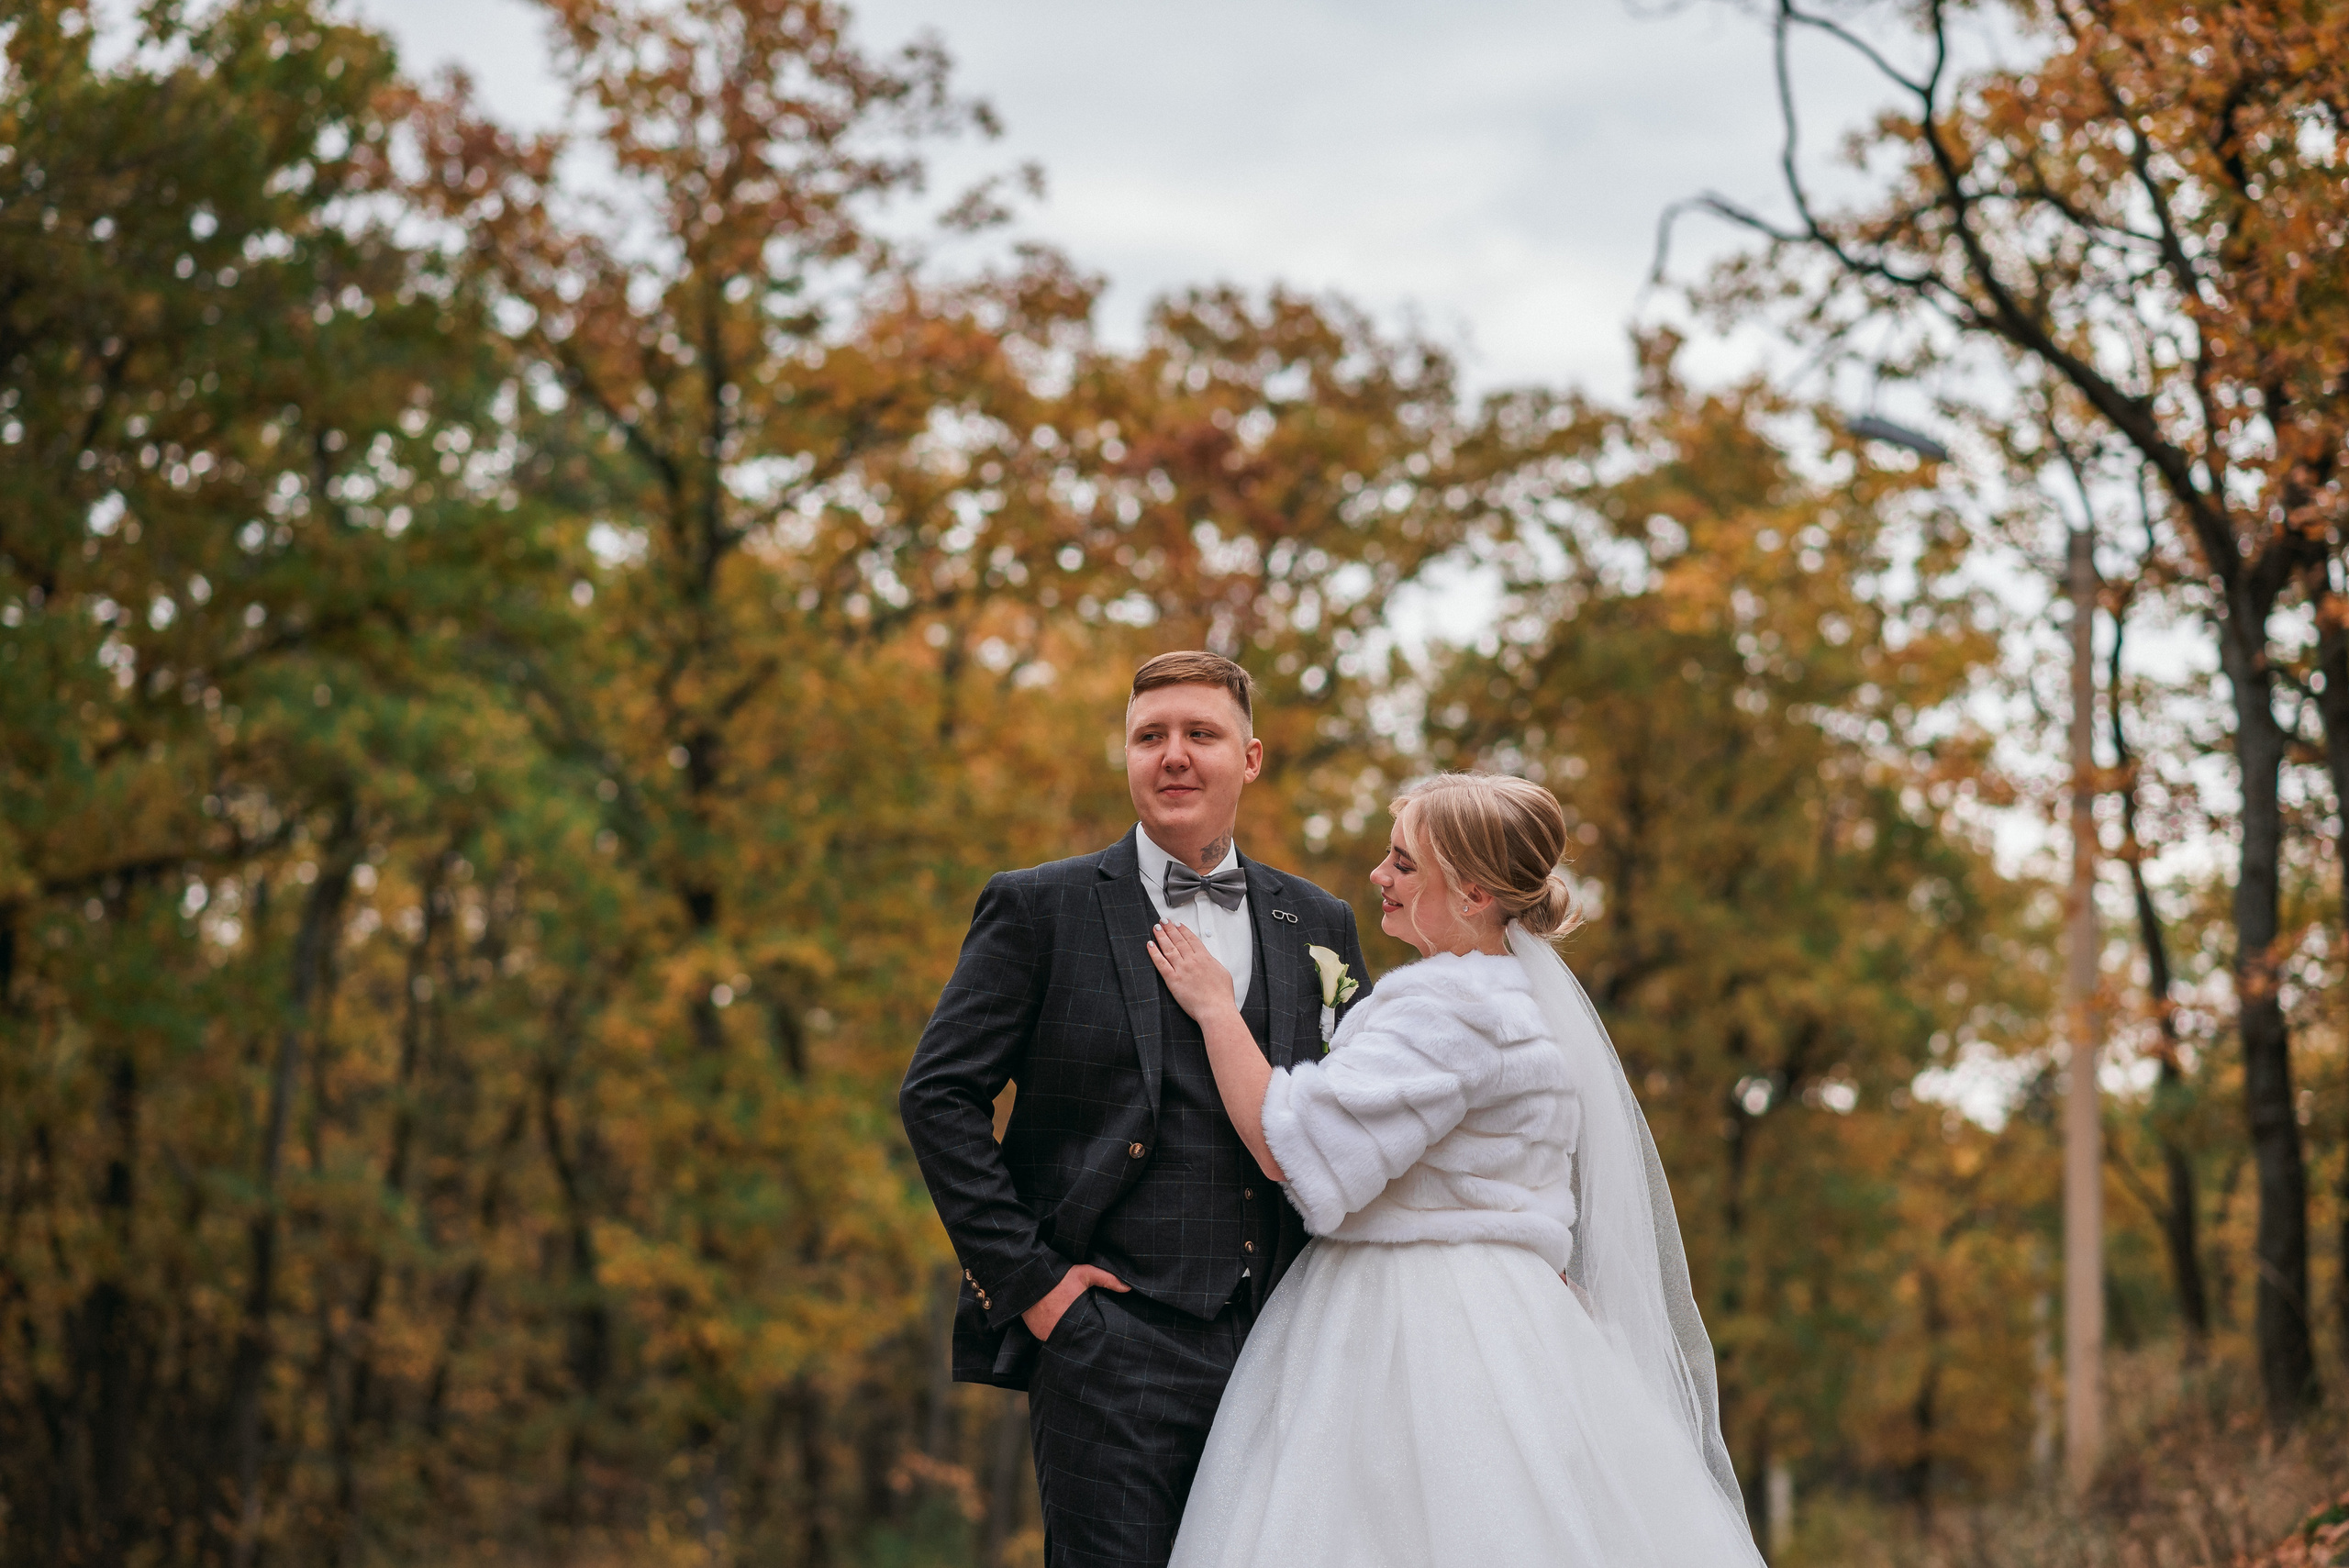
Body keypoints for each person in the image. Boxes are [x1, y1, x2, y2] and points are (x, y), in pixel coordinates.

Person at [1154, 772, 1766, 1568]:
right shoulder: (1526, 1004)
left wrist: (1214, 1008)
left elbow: (1290, 1145)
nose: (1380, 876)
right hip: (1520, 1320)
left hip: (1416, 1322)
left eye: (1404, 864)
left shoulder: (1450, 1007)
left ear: (1473, 893)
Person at [899, 650, 1373, 1568]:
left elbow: (1358, 1124)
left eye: (1200, 733)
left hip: (1283, 1348)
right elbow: (937, 1094)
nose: (1173, 755)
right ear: (1125, 756)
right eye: (1149, 736)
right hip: (1106, 1350)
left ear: (1251, 757)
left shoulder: (1320, 922)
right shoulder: (1039, 906)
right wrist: (1035, 1287)